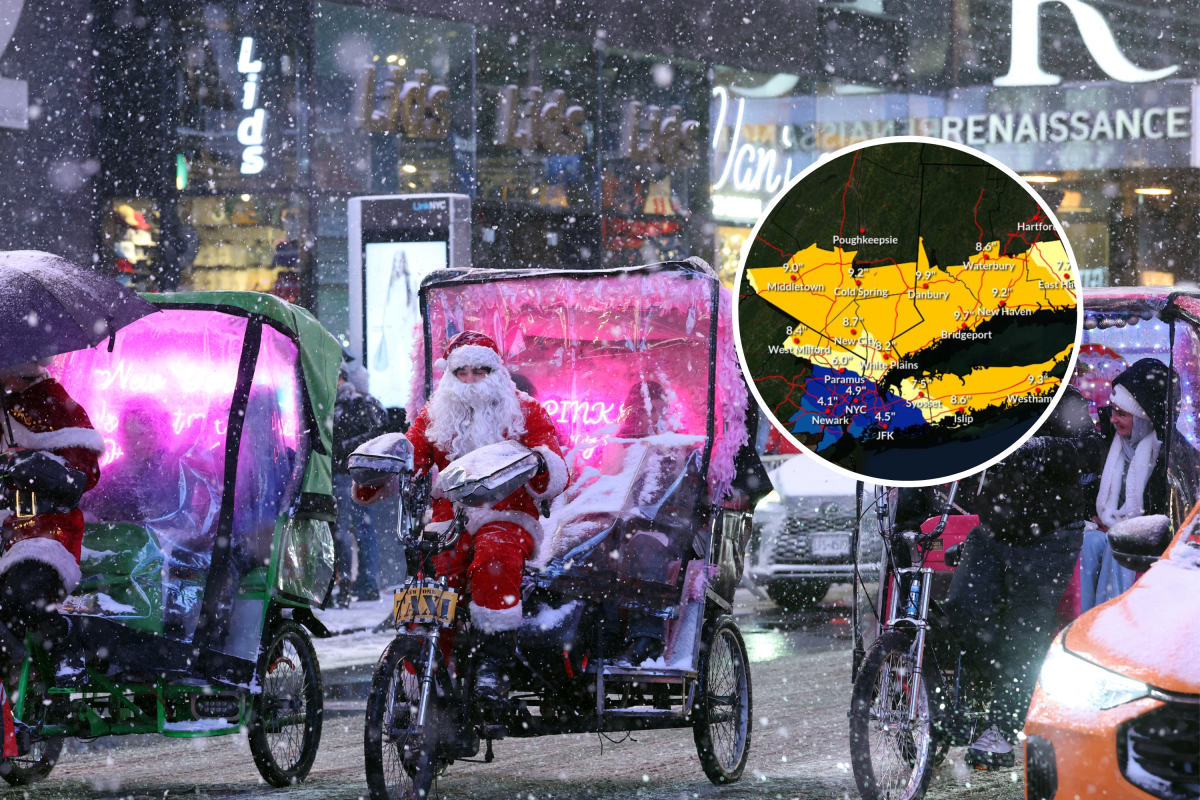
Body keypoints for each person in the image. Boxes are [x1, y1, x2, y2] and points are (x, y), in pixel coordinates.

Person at [895, 385, 1105, 770]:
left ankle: (1002, 732)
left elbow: (1093, 450)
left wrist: (1038, 448)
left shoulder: (1063, 398)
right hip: (993, 530)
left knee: (1023, 635)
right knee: (962, 612)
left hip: (1051, 535)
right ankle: (970, 706)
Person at [363, 331, 568, 701]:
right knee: (429, 578)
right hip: (450, 518)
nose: (471, 379)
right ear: (451, 375)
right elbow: (412, 456)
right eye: (462, 372)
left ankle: (493, 663)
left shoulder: (525, 410)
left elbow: (553, 467)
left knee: (495, 559)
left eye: (480, 371)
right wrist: (378, 470)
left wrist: (539, 463)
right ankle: (420, 671)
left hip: (508, 515)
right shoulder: (435, 414)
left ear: (496, 372)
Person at [0, 359, 102, 754]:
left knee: (22, 593)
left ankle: (66, 651)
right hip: (5, 529)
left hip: (49, 533)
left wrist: (29, 465)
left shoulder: (56, 405)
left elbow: (81, 478)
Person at [1081, 358, 1200, 611]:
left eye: (1122, 413)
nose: (1112, 419)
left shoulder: (1172, 458)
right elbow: (1091, 493)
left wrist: (1122, 528)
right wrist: (1094, 516)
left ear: (1144, 418)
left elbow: (1171, 519)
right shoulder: (1111, 444)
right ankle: (1086, 618)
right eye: (1113, 410)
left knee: (1119, 551)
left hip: (1154, 548)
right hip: (1111, 529)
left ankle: (1114, 619)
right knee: (1088, 543)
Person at [332, 362, 387, 604]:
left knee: (345, 531)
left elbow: (375, 433)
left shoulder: (343, 405)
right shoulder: (364, 402)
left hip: (345, 473)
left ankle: (351, 585)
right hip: (361, 474)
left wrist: (346, 450)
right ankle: (365, 584)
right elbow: (379, 432)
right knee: (362, 531)